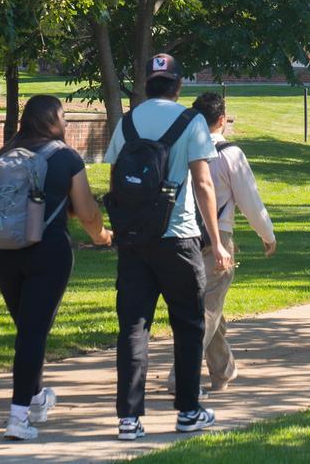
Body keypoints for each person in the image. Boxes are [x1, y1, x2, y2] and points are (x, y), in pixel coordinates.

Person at [103, 54, 233, 440]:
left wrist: (123, 227)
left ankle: (129, 419)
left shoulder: (128, 121)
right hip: (178, 238)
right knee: (189, 325)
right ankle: (188, 411)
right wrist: (217, 242)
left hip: (134, 242)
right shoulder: (191, 121)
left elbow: (115, 177)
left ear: (146, 84)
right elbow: (204, 183)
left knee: (133, 328)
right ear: (178, 85)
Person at [0, 95, 114, 441]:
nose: (66, 123)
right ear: (52, 121)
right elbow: (86, 211)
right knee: (33, 332)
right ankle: (18, 417)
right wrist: (101, 236)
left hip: (4, 250)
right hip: (48, 252)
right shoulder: (66, 158)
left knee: (28, 330)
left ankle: (36, 398)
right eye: (63, 116)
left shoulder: (1, 156)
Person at [164, 92, 277, 396]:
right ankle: (181, 375)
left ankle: (223, 370)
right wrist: (267, 235)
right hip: (218, 238)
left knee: (206, 306)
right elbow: (250, 200)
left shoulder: (180, 149)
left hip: (179, 235)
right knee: (208, 309)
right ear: (222, 120)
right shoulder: (230, 154)